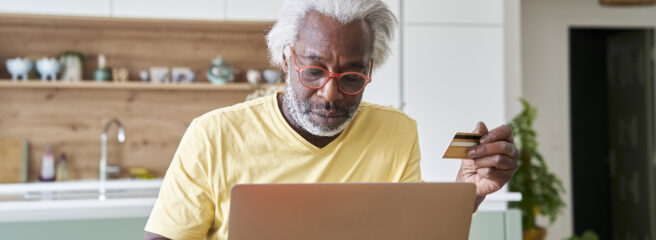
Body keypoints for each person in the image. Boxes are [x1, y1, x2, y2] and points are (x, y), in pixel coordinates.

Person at [144, 0, 519, 239]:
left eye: (352, 78)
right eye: (313, 71)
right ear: (287, 59)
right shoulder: (213, 135)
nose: (330, 94)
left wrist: (467, 194)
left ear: (370, 68)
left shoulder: (397, 131)